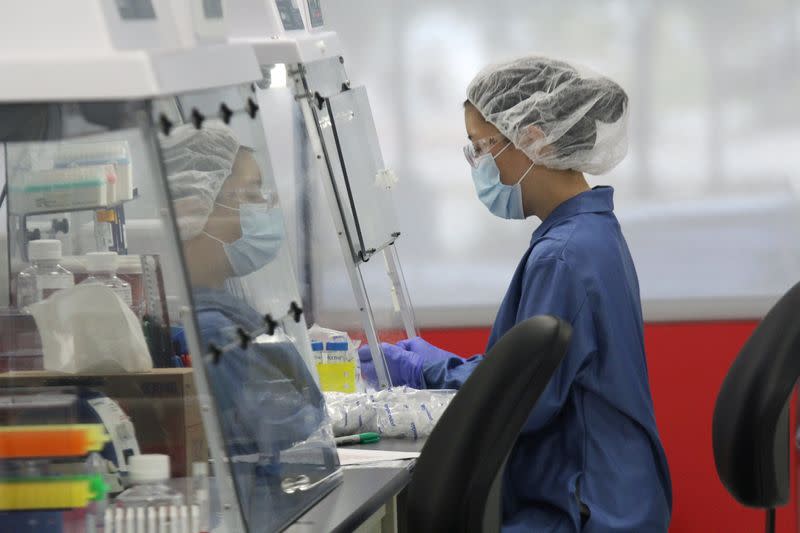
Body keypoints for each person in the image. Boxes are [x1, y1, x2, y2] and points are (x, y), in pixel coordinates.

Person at [359, 56, 672, 532]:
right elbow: (530, 375)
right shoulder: (587, 234)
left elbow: (520, 401)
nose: (476, 166)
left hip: (584, 509)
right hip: (609, 494)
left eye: (480, 148)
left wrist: (428, 369)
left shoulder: (564, 255)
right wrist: (441, 367)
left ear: (532, 138)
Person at [163, 120, 332, 530]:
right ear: (198, 209)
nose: (265, 206)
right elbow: (281, 422)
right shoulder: (210, 331)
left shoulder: (229, 312)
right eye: (251, 192)